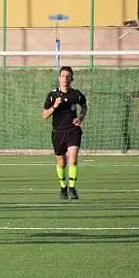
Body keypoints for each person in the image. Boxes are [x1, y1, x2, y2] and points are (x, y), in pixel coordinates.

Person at [41, 66, 88, 200]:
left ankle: (72, 188)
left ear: (71, 79)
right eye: (63, 76)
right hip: (58, 132)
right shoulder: (52, 95)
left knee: (73, 159)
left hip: (73, 131)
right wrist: (54, 106)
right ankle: (63, 187)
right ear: (59, 78)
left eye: (68, 76)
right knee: (61, 162)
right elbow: (44, 115)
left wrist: (80, 118)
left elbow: (84, 106)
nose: (65, 79)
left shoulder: (76, 94)